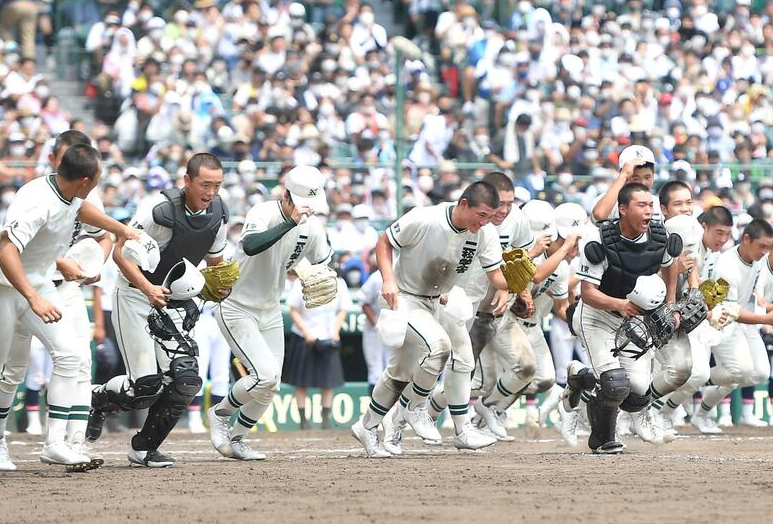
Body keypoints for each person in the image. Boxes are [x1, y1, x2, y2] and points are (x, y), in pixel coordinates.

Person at [88, 153, 232, 468]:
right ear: (187, 181)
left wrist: (218, 287)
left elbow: (215, 264)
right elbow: (120, 253)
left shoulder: (219, 214)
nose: (211, 192)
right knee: (144, 388)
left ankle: (144, 448)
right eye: (204, 184)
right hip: (136, 294)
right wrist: (147, 288)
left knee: (187, 379)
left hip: (175, 300)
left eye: (217, 185)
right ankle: (96, 399)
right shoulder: (159, 210)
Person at [351, 181, 514, 458]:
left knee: (412, 370)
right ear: (464, 204)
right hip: (404, 297)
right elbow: (384, 242)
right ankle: (415, 408)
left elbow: (496, 276)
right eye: (482, 215)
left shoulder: (484, 233)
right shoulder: (424, 218)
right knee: (439, 347)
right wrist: (388, 280)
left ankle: (368, 426)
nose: (486, 222)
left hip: (440, 299)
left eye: (489, 216)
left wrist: (516, 282)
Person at [0, 143, 138, 470]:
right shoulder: (37, 202)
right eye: (98, 179)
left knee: (70, 355)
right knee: (6, 371)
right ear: (86, 180)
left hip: (41, 285)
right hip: (7, 289)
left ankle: (55, 444)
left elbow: (80, 209)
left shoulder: (69, 192)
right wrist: (33, 297)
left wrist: (120, 229)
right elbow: (5, 250)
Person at [207, 165, 333, 460]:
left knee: (271, 383)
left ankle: (238, 438)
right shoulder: (263, 212)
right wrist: (289, 223)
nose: (309, 211)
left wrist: (317, 272)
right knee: (263, 375)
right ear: (287, 195)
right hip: (237, 306)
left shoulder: (313, 227)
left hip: (270, 309)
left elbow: (324, 260)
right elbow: (250, 245)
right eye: (304, 204)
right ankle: (220, 413)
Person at [569, 183, 680, 454]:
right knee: (615, 384)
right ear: (622, 209)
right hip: (598, 316)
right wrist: (621, 304)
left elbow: (671, 263)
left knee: (639, 390)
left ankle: (581, 377)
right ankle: (603, 438)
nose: (648, 211)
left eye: (651, 206)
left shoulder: (660, 236)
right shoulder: (600, 240)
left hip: (631, 320)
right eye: (641, 205)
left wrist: (671, 305)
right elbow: (588, 293)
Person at [651, 205, 734, 433]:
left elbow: (694, 288)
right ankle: (648, 412)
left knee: (696, 373)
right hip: (655, 315)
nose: (723, 239)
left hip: (683, 318)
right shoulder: (666, 244)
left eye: (727, 234)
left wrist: (709, 310)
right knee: (683, 372)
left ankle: (658, 413)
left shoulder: (704, 253)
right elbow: (657, 282)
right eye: (719, 232)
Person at [690, 219, 773, 433]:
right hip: (723, 322)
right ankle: (694, 384)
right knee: (739, 371)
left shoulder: (758, 261)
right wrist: (766, 319)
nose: (765, 252)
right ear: (746, 239)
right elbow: (729, 311)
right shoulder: (727, 265)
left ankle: (698, 384)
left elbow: (756, 293)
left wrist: (763, 306)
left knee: (761, 373)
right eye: (762, 246)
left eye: (768, 247)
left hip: (744, 319)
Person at [285, 274, 351, 429]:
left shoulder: (339, 283)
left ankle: (325, 421)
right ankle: (303, 421)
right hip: (304, 335)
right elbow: (293, 310)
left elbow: (343, 309)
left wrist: (335, 331)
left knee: (328, 381)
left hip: (328, 336)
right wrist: (306, 332)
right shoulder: (301, 282)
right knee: (301, 381)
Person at [592, 146, 663, 224]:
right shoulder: (608, 201)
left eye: (647, 177)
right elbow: (599, 215)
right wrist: (623, 175)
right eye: (635, 178)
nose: (642, 183)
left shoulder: (658, 203)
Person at [359, 269, 389, 395]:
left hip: (395, 329)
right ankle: (374, 410)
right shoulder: (376, 277)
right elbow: (364, 303)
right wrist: (377, 325)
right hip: (374, 330)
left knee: (393, 369)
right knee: (375, 371)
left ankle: (394, 409)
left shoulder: (404, 273)